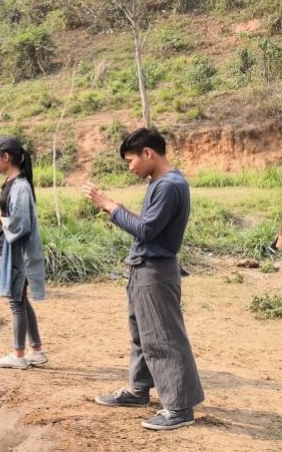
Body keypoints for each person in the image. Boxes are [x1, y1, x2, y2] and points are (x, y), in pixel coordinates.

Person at [83, 127, 204, 431]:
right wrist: (121, 210)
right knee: (142, 334)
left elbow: (147, 231)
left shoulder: (169, 185)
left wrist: (111, 207)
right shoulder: (158, 183)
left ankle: (179, 407)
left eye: (130, 160)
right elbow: (149, 225)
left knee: (164, 336)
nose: (130, 166)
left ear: (148, 153)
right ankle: (139, 390)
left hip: (156, 269)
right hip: (143, 267)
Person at [0, 137, 48, 370]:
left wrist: (1, 218)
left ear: (6, 157)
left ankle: (18, 355)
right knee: (21, 299)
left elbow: (20, 224)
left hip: (19, 251)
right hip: (12, 248)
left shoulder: (20, 186)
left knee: (16, 301)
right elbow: (13, 214)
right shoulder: (14, 183)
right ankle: (36, 350)